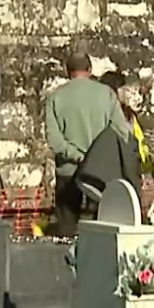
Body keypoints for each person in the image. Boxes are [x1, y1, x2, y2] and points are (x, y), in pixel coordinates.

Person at [45, 53, 124, 236]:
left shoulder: (55, 98)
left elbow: (55, 141)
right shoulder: (107, 94)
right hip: (100, 171)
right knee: (102, 230)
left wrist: (78, 156)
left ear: (67, 71)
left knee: (66, 231)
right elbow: (120, 131)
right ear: (90, 70)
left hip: (68, 170)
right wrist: (94, 156)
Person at [100, 71, 154, 177]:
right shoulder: (107, 116)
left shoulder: (130, 114)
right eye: (124, 89)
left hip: (135, 168)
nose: (128, 93)